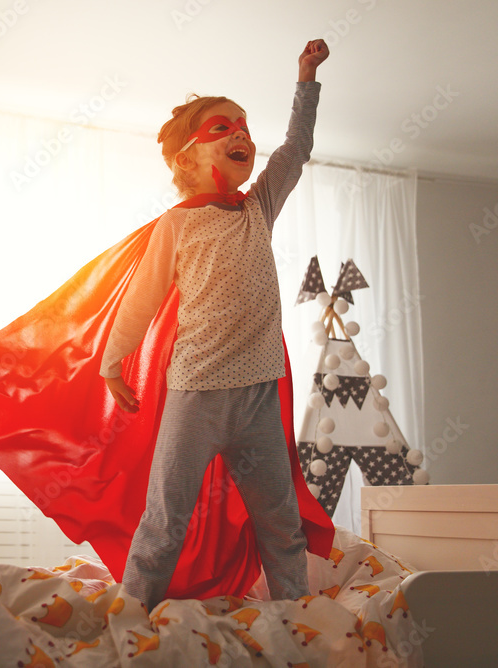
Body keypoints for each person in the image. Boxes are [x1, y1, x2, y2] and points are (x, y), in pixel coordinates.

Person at [99, 39, 330, 611]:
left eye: (246, 127)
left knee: (279, 523)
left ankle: (295, 619)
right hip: (196, 394)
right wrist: (113, 358)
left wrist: (305, 78)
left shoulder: (259, 206)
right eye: (223, 127)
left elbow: (296, 148)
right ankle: (131, 617)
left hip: (256, 398)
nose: (241, 136)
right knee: (165, 519)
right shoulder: (177, 225)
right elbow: (143, 298)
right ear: (185, 160)